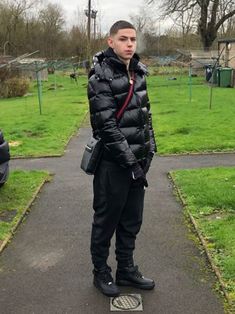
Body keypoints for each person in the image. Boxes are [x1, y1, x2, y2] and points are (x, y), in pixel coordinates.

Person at [87, 20, 157, 297]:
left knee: (131, 220)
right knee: (106, 221)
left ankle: (126, 269)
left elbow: (145, 117)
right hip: (112, 165)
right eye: (124, 39)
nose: (129, 44)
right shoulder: (99, 77)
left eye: (133, 40)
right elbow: (106, 127)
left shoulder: (139, 73)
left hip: (137, 164)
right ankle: (100, 272)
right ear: (111, 42)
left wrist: (149, 150)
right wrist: (130, 162)